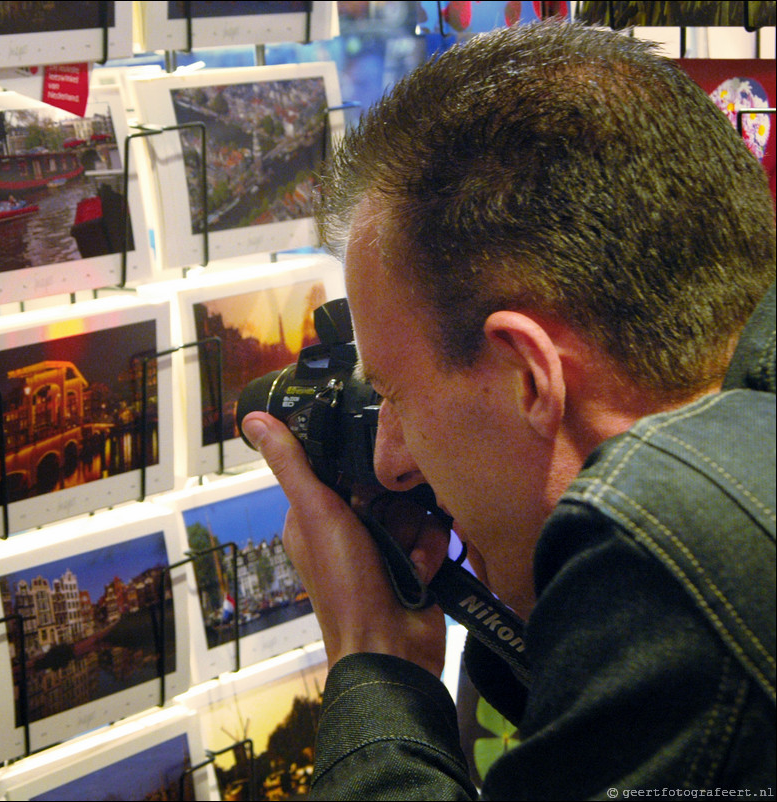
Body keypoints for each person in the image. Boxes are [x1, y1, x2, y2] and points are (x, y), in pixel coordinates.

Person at [241, 20, 775, 798]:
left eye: (393, 393)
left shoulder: (678, 557)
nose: (390, 461)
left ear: (528, 377)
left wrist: (375, 666)